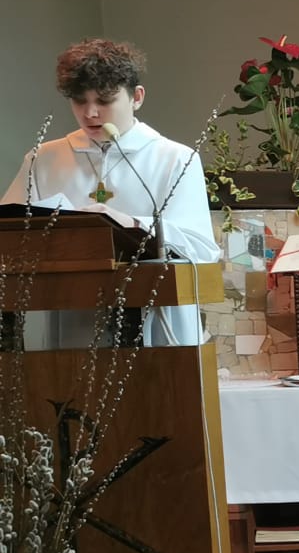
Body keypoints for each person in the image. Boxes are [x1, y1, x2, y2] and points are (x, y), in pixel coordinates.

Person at [3, 38, 221, 347]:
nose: (90, 113)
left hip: (158, 326)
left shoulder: (175, 159)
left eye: (104, 101)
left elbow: (201, 249)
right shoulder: (44, 159)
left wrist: (130, 224)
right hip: (75, 322)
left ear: (137, 97)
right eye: (79, 100)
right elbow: (11, 236)